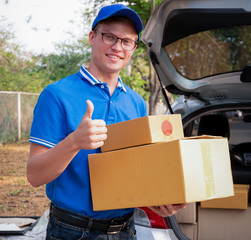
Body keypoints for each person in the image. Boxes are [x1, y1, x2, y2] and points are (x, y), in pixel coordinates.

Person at [27, 4, 185, 240]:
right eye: (109, 37)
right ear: (92, 37)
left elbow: (134, 174)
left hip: (125, 230)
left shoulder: (136, 103)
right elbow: (34, 175)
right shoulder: (57, 94)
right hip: (72, 231)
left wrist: (156, 200)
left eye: (127, 41)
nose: (117, 47)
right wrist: (75, 141)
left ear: (133, 48)